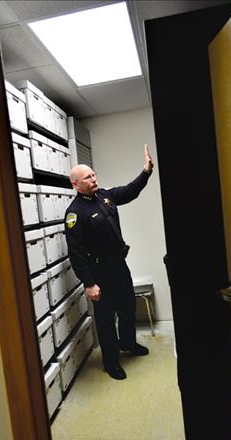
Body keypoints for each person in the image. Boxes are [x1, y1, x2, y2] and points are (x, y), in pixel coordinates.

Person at [64, 145, 155, 380]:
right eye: (88, 178)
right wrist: (89, 283)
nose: (94, 179)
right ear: (76, 184)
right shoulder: (75, 213)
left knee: (127, 309)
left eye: (93, 175)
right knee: (105, 320)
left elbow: (129, 191)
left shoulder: (104, 196)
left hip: (119, 267)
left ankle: (128, 344)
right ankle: (111, 362)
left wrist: (146, 171)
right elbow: (75, 253)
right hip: (99, 273)